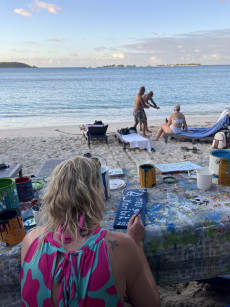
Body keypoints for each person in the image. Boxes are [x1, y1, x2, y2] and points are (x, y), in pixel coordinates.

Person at [20, 156, 160, 306]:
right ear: (96, 194)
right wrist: (136, 243)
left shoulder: (30, 240)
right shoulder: (121, 246)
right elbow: (151, 304)